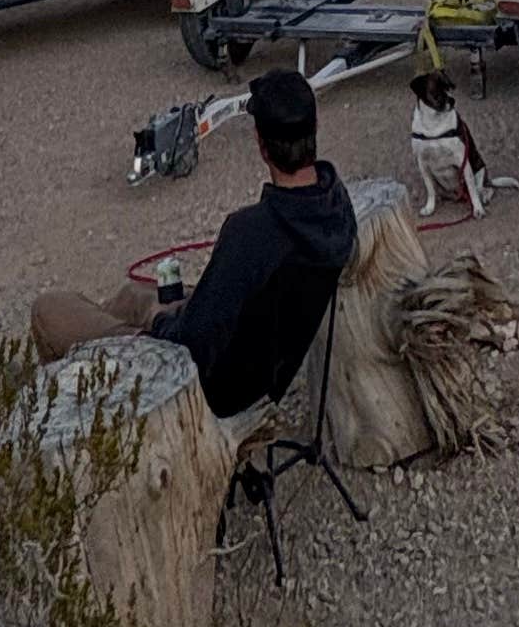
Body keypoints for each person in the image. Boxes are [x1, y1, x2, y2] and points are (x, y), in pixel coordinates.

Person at [31, 66, 357, 410]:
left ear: (261, 145)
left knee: (49, 309)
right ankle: (109, 332)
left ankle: (83, 400)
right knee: (132, 295)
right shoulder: (335, 205)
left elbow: (192, 343)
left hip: (202, 385)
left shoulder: (251, 232)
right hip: (261, 366)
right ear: (315, 127)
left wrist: (160, 319)